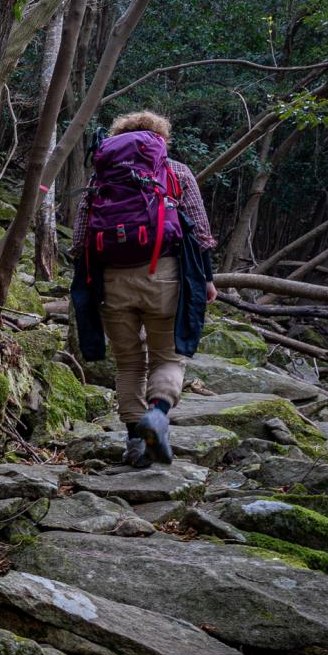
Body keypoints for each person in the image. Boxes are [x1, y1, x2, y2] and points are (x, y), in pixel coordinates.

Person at [68, 111, 217, 467]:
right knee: (168, 356)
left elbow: (78, 240)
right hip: (164, 276)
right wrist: (207, 280)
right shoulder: (176, 172)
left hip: (113, 281)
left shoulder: (101, 176)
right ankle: (158, 414)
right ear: (161, 138)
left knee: (129, 363)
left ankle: (135, 442)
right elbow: (201, 233)